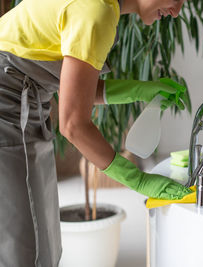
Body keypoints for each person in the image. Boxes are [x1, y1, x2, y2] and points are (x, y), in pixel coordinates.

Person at [0, 0, 192, 266]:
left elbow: (75, 88)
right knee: (24, 248)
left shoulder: (102, 7)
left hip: (19, 103)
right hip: (8, 108)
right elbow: (73, 124)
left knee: (41, 240)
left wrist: (139, 90)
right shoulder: (96, 11)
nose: (177, 10)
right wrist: (137, 180)